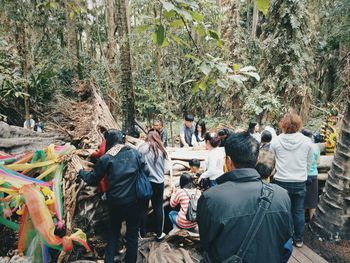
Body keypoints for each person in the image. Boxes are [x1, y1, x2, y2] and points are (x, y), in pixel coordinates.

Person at [197, 132, 293, 263]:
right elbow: (285, 236)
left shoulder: (210, 198)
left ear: (228, 161)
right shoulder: (282, 195)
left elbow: (205, 242)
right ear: (256, 160)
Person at [78, 130, 148, 263]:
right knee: (132, 236)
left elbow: (93, 179)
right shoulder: (134, 153)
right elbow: (146, 171)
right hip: (134, 202)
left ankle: (109, 260)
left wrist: (81, 172)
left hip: (115, 202)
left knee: (113, 233)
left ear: (109, 141)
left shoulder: (106, 158)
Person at [270, 113, 313, 248]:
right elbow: (309, 162)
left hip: (281, 181)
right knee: (298, 211)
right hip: (299, 181)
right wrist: (302, 173)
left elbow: (272, 161)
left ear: (283, 125)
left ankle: (282, 239)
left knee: (282, 211)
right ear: (299, 125)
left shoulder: (276, 141)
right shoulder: (307, 142)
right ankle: (298, 239)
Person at [138, 130, 168, 240]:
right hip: (158, 182)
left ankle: (142, 233)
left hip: (145, 182)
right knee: (158, 207)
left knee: (142, 208)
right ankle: (159, 233)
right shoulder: (162, 149)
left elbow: (138, 163)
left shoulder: (141, 148)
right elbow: (167, 168)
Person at [301, 129, 320, 221]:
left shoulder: (302, 146)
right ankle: (312, 222)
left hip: (303, 176)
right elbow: (318, 162)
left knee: (303, 201)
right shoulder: (316, 147)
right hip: (314, 175)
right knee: (312, 201)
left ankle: (301, 222)